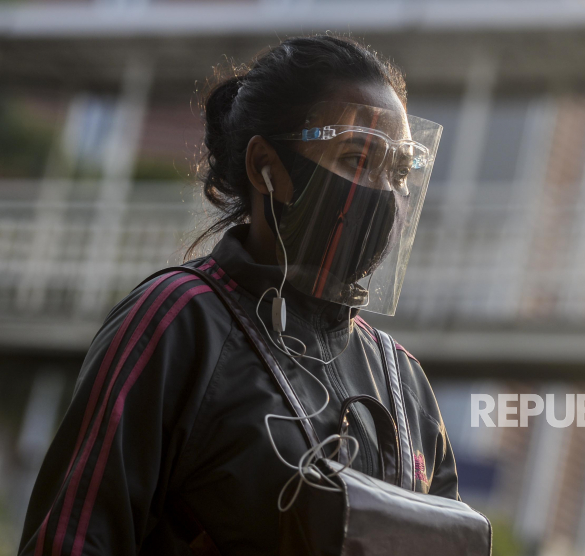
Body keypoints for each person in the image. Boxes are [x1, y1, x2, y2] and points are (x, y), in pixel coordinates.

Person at [19, 35, 458, 556]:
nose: (386, 192)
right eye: (358, 158)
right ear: (267, 168)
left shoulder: (404, 383)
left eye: (400, 171)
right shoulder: (178, 320)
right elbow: (70, 539)